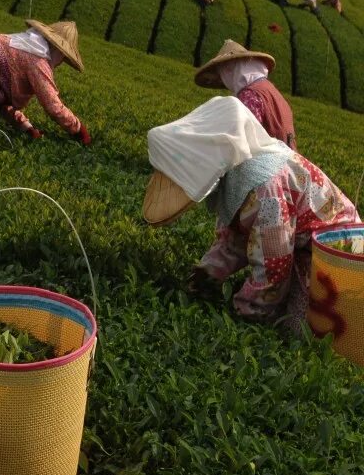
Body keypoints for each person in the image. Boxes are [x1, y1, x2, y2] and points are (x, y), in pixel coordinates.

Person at [142, 97, 359, 331]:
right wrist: (207, 275)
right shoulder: (239, 173)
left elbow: (273, 267)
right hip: (300, 244)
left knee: (300, 331)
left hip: (336, 254)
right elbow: (236, 238)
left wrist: (245, 314)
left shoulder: (266, 190)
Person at [193, 40, 296, 149]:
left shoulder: (250, 95)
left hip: (271, 161)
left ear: (232, 69)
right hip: (289, 156)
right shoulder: (268, 88)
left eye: (225, 71)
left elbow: (243, 137)